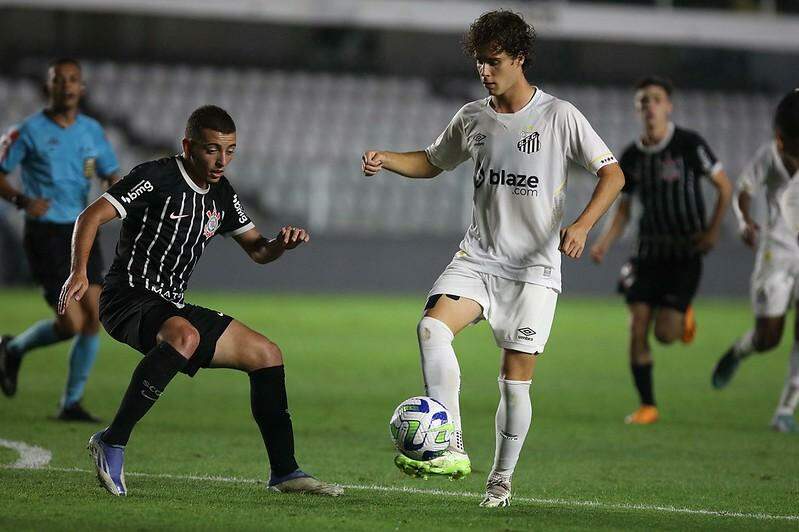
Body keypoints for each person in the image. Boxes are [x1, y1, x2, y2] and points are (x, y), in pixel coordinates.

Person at [361, 10, 625, 507]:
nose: (485, 71)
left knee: (514, 383)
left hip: (534, 271)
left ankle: (500, 479)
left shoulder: (559, 116)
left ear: (519, 59)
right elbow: (431, 162)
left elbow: (613, 175)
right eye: (480, 62)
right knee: (431, 327)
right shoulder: (472, 117)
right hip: (479, 258)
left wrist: (584, 225)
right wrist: (386, 158)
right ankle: (451, 445)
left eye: (494, 61)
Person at [58, 105, 342, 497]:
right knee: (184, 337)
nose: (222, 160)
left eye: (230, 151)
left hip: (171, 303)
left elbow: (257, 250)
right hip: (127, 296)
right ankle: (112, 441)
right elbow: (88, 217)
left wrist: (280, 244)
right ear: (188, 146)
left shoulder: (222, 194)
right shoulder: (155, 177)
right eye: (212, 150)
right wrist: (79, 273)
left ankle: (285, 472)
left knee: (266, 354)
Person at [590, 77, 731, 425]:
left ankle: (682, 315)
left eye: (655, 99)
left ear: (668, 106)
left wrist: (713, 231)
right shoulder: (632, 157)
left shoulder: (688, 144)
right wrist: (604, 243)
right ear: (637, 110)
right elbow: (623, 209)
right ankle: (647, 405)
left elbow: (724, 188)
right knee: (637, 325)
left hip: (684, 253)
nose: (649, 106)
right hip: (648, 254)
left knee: (665, 335)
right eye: (643, 101)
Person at [0, 58, 120, 421]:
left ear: (81, 88)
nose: (67, 86)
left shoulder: (92, 132)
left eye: (73, 80)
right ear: (48, 88)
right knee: (71, 323)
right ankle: (14, 349)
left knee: (94, 318)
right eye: (59, 80)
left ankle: (71, 403)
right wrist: (21, 200)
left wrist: (111, 188)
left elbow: (109, 172)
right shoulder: (27, 132)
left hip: (82, 229)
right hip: (47, 235)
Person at [712, 89, 799, 433]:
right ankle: (739, 351)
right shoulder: (770, 156)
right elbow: (744, 190)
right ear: (780, 140)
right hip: (775, 251)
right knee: (769, 338)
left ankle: (786, 409)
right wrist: (745, 220)